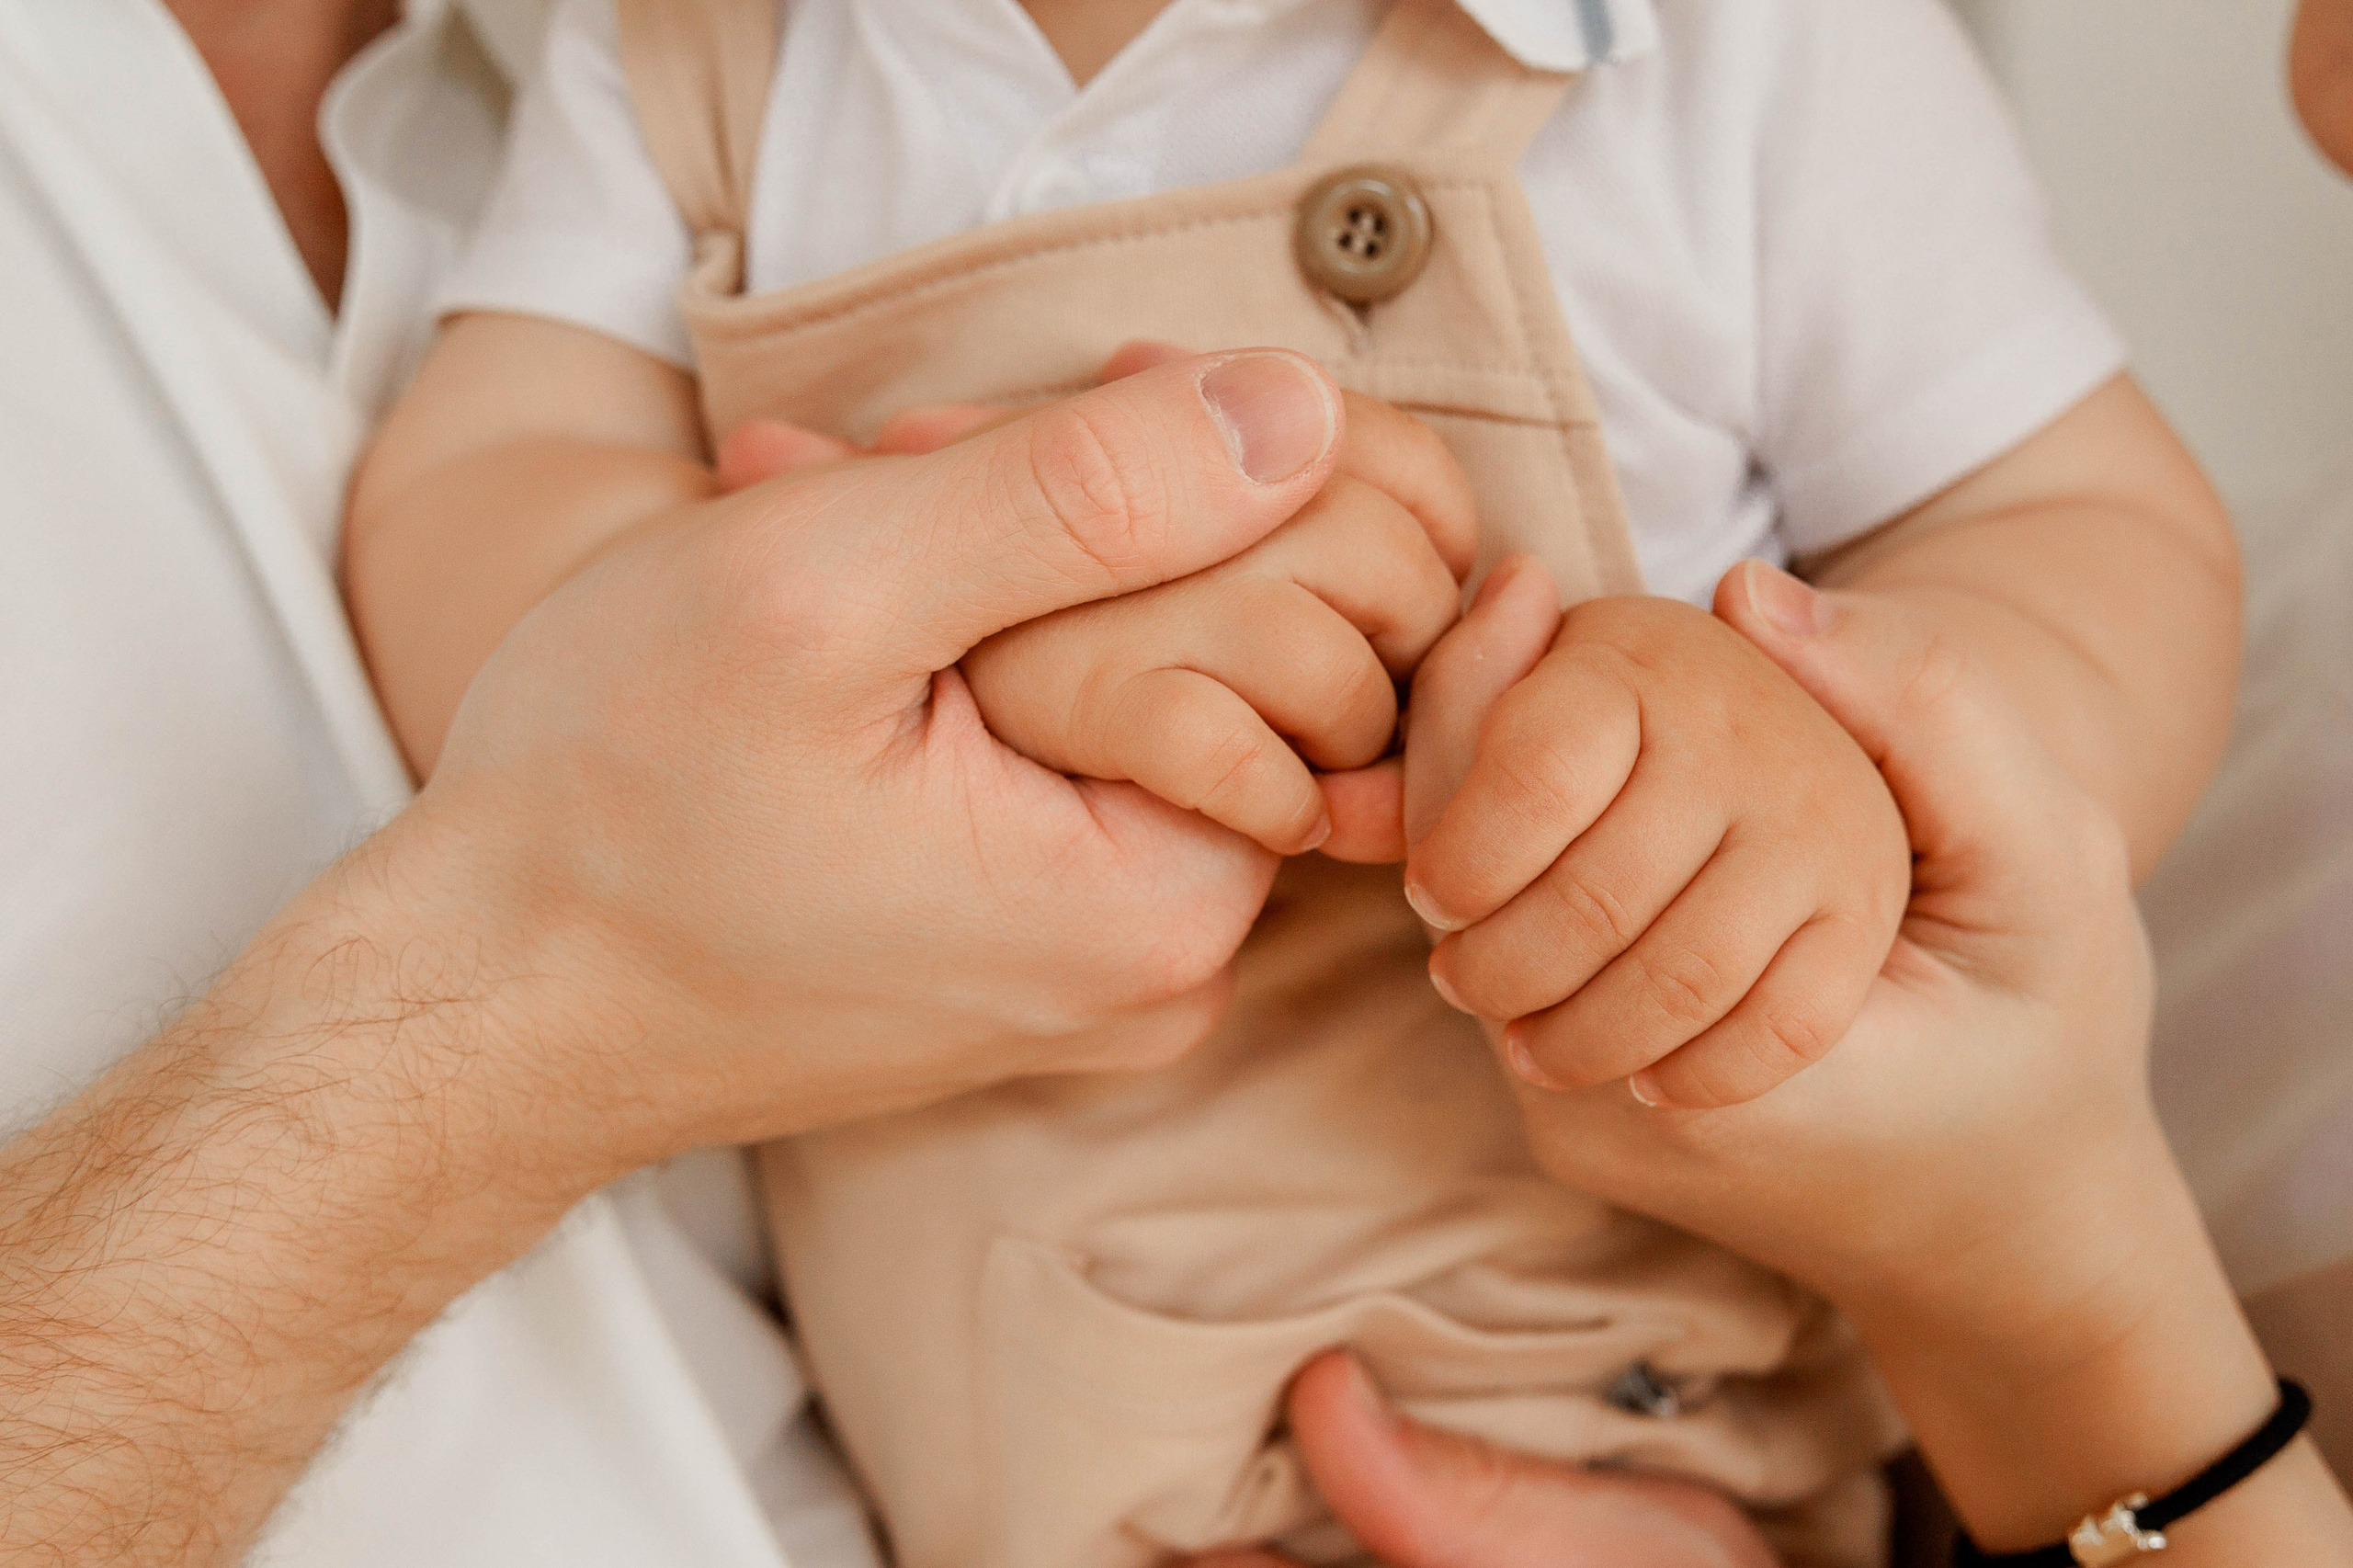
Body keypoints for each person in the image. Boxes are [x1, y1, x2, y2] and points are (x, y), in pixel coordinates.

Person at [338, 0, 2234, 1559]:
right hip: (962, 1463)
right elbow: (475, 497)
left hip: (1640, 1439)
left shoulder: (1739, 50)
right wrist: (902, 591)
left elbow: (2076, 527)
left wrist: (1810, 771)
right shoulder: (692, 58)